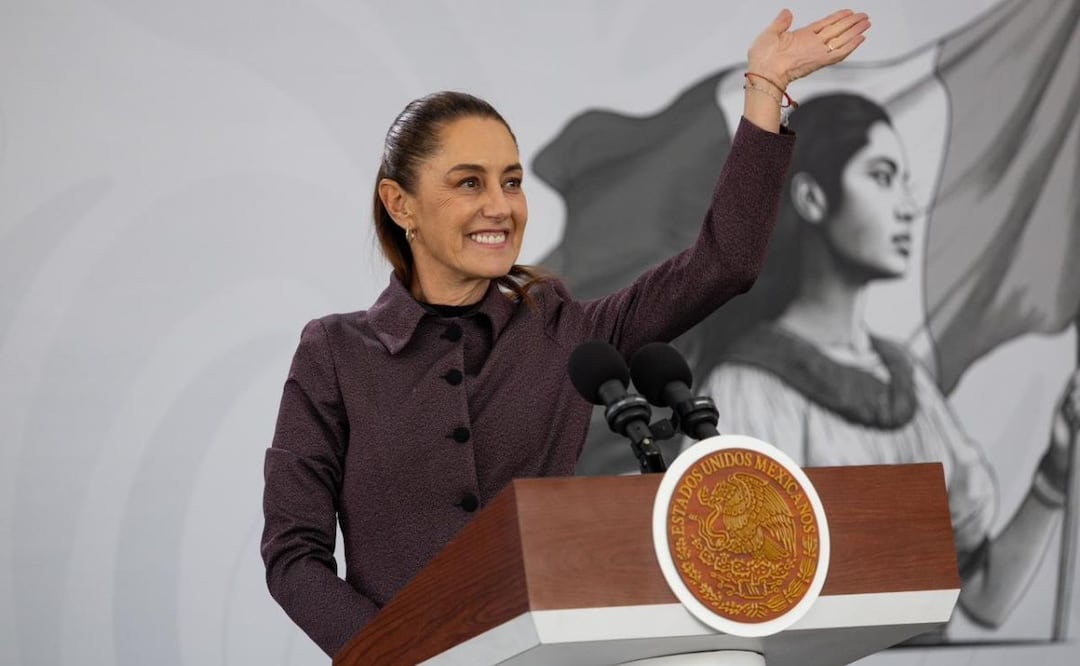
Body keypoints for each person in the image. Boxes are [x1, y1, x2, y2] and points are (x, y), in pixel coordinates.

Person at [260, 9, 871, 656]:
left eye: (512, 182)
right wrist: (398, 655)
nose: (500, 206)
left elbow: (725, 263)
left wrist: (765, 89)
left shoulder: (566, 333)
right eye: (469, 183)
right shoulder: (333, 354)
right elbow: (293, 555)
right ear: (399, 203)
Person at [696, 92, 1080, 633]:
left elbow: (984, 600)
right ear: (812, 198)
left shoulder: (910, 384)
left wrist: (1056, 473)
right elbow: (738, 597)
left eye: (904, 181)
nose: (906, 206)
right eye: (881, 176)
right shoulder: (747, 388)